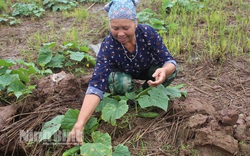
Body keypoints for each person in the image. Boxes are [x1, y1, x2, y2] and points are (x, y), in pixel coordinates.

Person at [66, 0, 177, 147]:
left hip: (148, 70)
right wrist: (80, 122)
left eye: (126, 27)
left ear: (135, 22)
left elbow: (169, 61)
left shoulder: (148, 33)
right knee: (122, 82)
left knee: (171, 73)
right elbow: (96, 85)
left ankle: (145, 94)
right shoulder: (108, 45)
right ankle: (130, 101)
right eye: (115, 28)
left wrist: (164, 70)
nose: (120, 33)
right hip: (123, 75)